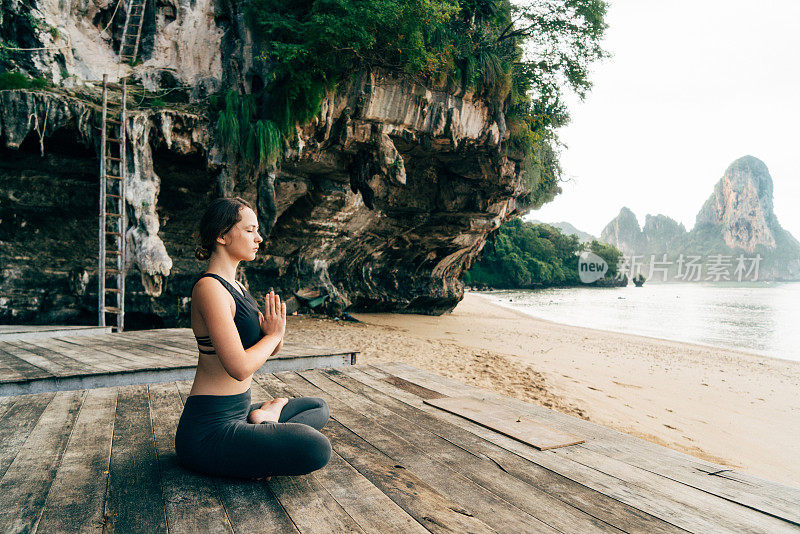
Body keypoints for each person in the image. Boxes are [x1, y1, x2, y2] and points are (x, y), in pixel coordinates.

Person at [175, 196, 332, 480]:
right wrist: (274, 335)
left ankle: (262, 421)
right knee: (316, 448)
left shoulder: (238, 287)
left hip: (240, 411)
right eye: (249, 230)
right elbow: (239, 367)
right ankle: (261, 427)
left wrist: (274, 331)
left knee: (318, 407)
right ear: (222, 235)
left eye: (257, 230)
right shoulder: (209, 288)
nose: (258, 238)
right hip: (209, 430)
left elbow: (270, 347)